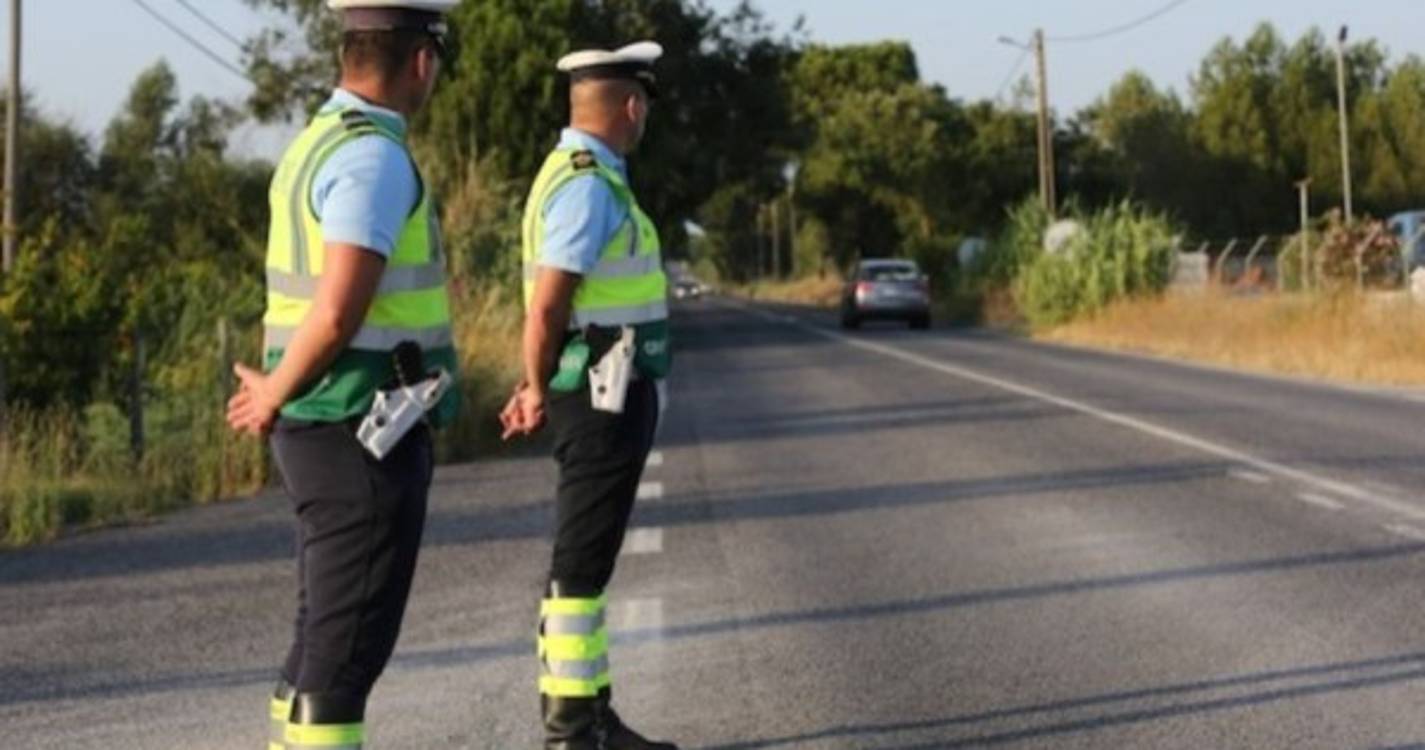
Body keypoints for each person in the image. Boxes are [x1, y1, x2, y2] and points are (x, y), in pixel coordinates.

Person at [226, 2, 458, 747]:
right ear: (421, 60)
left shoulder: (315, 142)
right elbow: (336, 310)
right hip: (358, 425)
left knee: (321, 635)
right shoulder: (372, 156)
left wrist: (278, 390)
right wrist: (273, 391)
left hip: (327, 423)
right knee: (345, 651)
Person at [500, 41, 678, 750]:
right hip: (601, 394)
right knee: (579, 565)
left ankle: (593, 716)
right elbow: (548, 305)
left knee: (589, 562)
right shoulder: (588, 185)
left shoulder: (583, 174)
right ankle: (572, 729)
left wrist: (536, 382)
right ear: (631, 106)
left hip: (606, 387)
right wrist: (534, 385)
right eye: (644, 106)